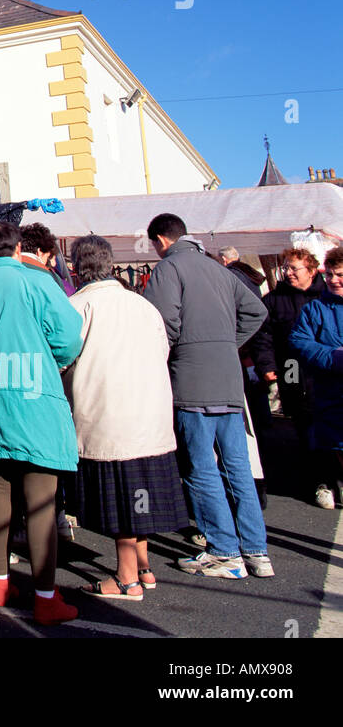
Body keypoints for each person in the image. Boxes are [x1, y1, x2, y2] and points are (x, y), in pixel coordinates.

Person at [0, 221, 84, 625]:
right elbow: (69, 337)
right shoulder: (36, 281)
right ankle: (45, 597)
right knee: (40, 499)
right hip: (32, 398)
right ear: (18, 247)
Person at [142, 213, 273, 579]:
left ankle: (224, 551)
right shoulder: (219, 269)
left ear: (161, 241)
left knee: (201, 468)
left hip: (192, 379)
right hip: (228, 380)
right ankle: (256, 551)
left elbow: (161, 323)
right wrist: (225, 344)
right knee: (238, 467)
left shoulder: (169, 269)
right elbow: (256, 309)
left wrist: (173, 353)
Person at [66, 236, 189, 599]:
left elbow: (62, 357)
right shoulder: (143, 305)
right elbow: (163, 349)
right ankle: (144, 566)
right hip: (150, 415)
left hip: (108, 416)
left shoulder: (76, 306)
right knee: (140, 493)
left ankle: (126, 578)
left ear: (77, 267)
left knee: (121, 501)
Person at [265, 249, 329, 505]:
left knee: (331, 427)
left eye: (295, 269)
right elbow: (264, 338)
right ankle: (318, 481)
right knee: (304, 426)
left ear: (311, 271)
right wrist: (267, 367)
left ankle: (331, 479)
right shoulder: (274, 300)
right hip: (292, 370)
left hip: (325, 374)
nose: (289, 273)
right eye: (287, 269)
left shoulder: (329, 295)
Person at [288, 246, 343, 510]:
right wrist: (333, 356)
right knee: (330, 443)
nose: (333, 279)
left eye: (340, 274)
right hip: (328, 390)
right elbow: (299, 341)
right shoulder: (315, 309)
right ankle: (326, 483)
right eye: (330, 274)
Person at [220, 248, 276, 437]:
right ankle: (265, 419)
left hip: (246, 338)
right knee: (256, 379)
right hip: (255, 335)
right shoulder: (250, 273)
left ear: (224, 259)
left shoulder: (232, 275)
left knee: (251, 382)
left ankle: (258, 422)